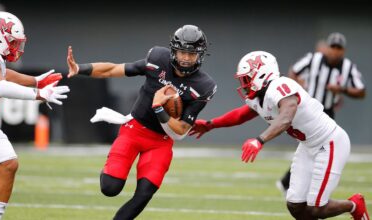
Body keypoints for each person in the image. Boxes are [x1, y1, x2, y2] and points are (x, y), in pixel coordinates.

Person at [189, 51, 369, 220]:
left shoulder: (280, 86)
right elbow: (242, 114)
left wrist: (260, 140)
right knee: (296, 206)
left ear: (261, 74)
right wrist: (210, 125)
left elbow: (286, 116)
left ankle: (354, 205)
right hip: (308, 146)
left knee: (317, 207)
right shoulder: (258, 96)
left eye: (246, 78)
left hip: (329, 142)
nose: (243, 83)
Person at [66, 24, 217, 220]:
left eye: (192, 54)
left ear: (201, 55)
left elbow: (180, 131)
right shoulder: (157, 59)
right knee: (110, 188)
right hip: (134, 130)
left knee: (144, 193)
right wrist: (80, 68)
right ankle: (110, 169)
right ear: (173, 51)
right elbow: (113, 70)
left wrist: (160, 109)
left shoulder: (204, 86)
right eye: (182, 52)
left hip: (161, 141)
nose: (186, 58)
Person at [0, 11, 70, 219]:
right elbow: (0, 87)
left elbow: (4, 74)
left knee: (8, 164)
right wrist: (38, 94)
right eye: (12, 42)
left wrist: (35, 81)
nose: (16, 48)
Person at [275, 33, 366, 195]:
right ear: (327, 48)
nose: (335, 51)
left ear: (343, 51)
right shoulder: (313, 59)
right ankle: (291, 184)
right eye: (333, 47)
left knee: (317, 148)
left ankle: (289, 183)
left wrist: (343, 89)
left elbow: (361, 91)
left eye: (339, 48)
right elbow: (293, 71)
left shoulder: (348, 67)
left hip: (327, 112)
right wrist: (298, 86)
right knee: (312, 147)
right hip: (309, 109)